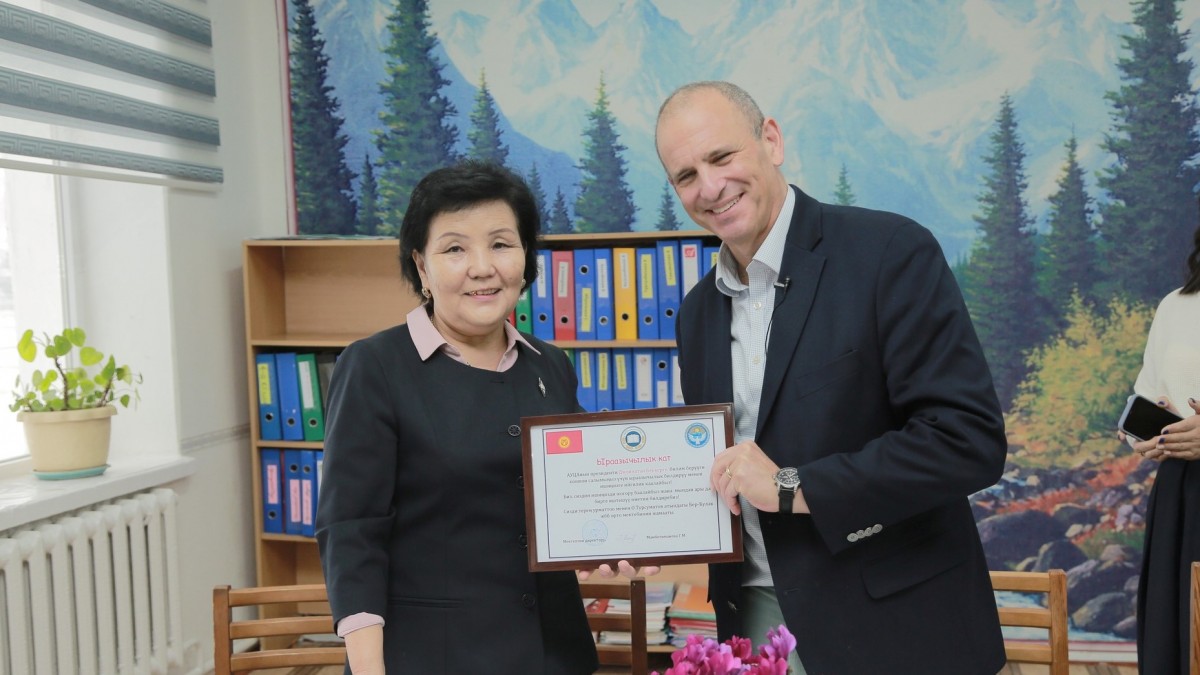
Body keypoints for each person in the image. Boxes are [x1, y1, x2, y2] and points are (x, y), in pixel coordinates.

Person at [654, 81, 1008, 674]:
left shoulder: (889, 251)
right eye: (686, 175)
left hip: (896, 629)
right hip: (754, 625)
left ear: (771, 140)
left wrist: (791, 487)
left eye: (721, 156)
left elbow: (967, 441)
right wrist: (634, 532)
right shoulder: (697, 313)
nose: (709, 187)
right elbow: (722, 471)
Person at [315, 160, 600, 674]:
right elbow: (351, 529)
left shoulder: (550, 364)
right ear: (421, 267)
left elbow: (579, 490)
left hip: (553, 654)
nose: (482, 267)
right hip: (433, 657)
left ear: (525, 258)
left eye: (501, 243)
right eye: (454, 249)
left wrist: (621, 534)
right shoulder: (375, 366)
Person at [1124, 222, 1200, 674]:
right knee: (1174, 638)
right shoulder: (1175, 305)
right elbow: (1150, 391)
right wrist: (1147, 434)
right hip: (1182, 489)